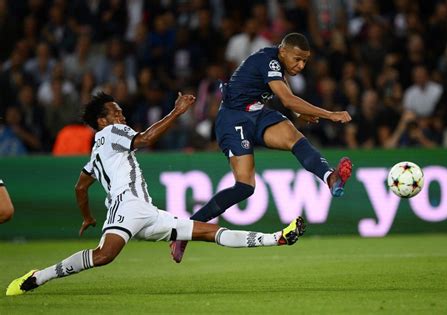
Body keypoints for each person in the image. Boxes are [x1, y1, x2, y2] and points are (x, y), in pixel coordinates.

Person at [6, 92, 306, 296]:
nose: (122, 116)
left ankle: (277, 238)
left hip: (145, 212)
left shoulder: (96, 150)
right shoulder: (112, 133)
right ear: (102, 120)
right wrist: (177, 111)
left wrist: (87, 216)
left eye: (121, 112)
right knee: (104, 256)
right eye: (116, 112)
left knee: (207, 232)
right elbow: (146, 139)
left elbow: (81, 185)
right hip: (127, 206)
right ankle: (39, 276)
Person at [171, 32, 353, 263]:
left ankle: (330, 177)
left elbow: (283, 92)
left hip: (257, 113)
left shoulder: (276, 62)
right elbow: (287, 99)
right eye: (297, 59)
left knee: (294, 138)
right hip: (233, 119)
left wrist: (299, 112)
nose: (301, 65)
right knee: (245, 186)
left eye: (305, 60)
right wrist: (330, 114)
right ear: (283, 50)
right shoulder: (269, 60)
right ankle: (185, 231)